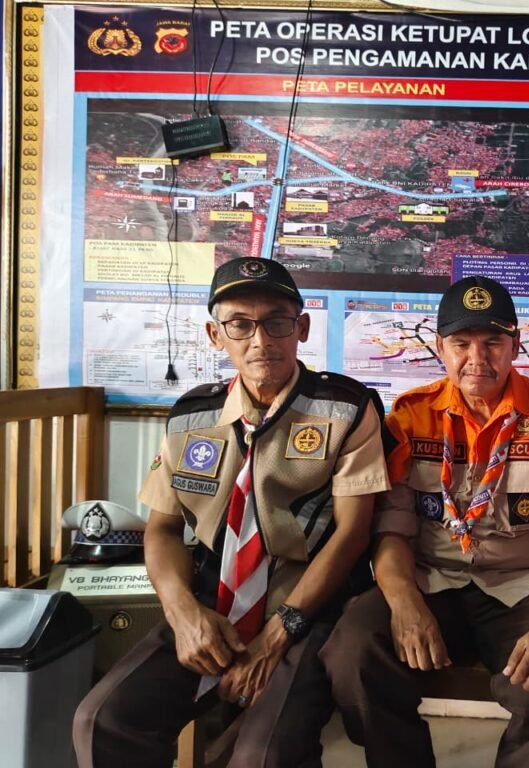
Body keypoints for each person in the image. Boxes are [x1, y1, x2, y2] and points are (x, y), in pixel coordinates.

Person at [73, 257, 390, 768]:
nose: (260, 340)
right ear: (215, 335)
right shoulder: (191, 416)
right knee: (104, 720)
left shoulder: (346, 408)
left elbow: (352, 534)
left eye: (277, 322)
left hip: (307, 610)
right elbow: (163, 528)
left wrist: (277, 634)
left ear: (302, 328)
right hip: (210, 606)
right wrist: (183, 613)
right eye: (240, 324)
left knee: (264, 755)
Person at [320, 275, 529, 768]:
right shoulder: (411, 416)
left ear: (515, 344)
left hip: (523, 585)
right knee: (352, 652)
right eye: (461, 343)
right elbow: (391, 526)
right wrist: (404, 602)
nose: (478, 358)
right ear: (440, 348)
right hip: (432, 579)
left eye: (493, 342)